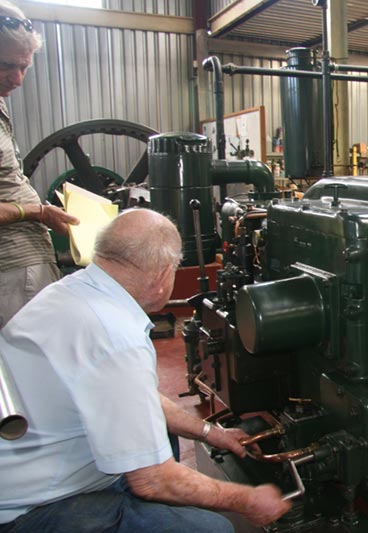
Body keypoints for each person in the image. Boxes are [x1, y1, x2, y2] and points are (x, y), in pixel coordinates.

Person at [0, 209, 291, 532]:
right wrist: (248, 500)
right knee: (213, 529)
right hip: (30, 509)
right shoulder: (116, 336)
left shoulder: (71, 291)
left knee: (162, 434)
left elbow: (138, 397)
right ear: (164, 274)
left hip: (23, 471)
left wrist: (213, 433)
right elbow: (153, 481)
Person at [0, 0, 79, 328]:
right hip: (12, 272)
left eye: (25, 67)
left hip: (24, 268)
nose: (18, 79)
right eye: (7, 65)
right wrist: (39, 213)